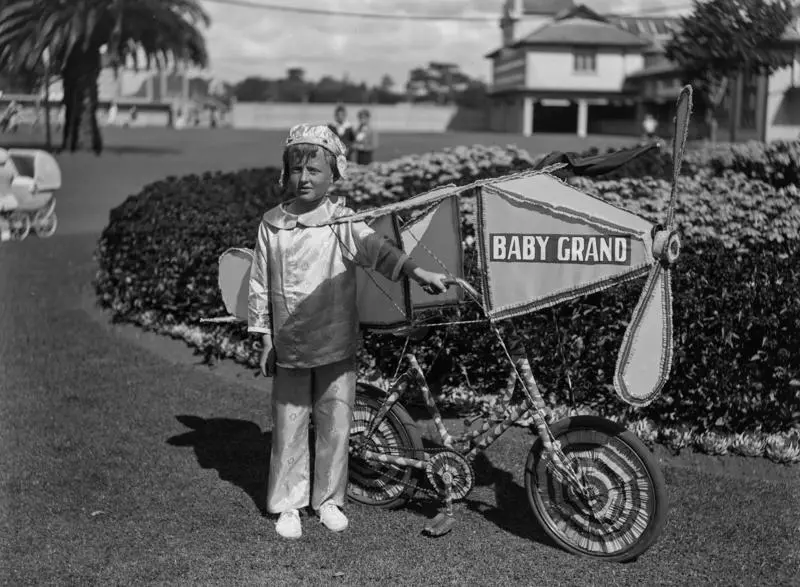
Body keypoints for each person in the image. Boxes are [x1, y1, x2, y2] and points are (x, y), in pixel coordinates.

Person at [248, 124, 449, 540]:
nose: (305, 179)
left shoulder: (344, 221)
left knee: (336, 421)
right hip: (290, 344)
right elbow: (259, 285)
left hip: (337, 341)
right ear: (285, 173)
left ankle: (328, 500)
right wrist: (265, 337)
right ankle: (288, 502)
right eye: (297, 170)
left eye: (314, 171)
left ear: (334, 173)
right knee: (289, 422)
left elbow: (379, 250)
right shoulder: (271, 225)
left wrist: (417, 271)